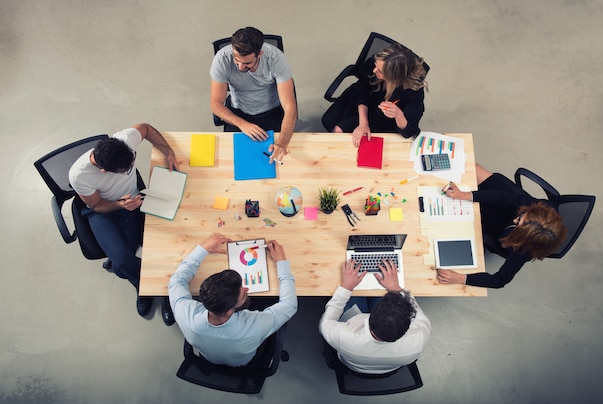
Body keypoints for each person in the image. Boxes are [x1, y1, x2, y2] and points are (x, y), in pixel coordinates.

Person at [69, 123, 179, 324]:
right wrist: (121, 205)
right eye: (126, 170)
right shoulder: (79, 176)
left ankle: (147, 283)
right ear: (104, 171)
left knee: (164, 241)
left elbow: (146, 128)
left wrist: (168, 151)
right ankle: (155, 288)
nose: (131, 169)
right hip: (106, 211)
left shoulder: (124, 140)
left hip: (133, 201)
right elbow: (97, 205)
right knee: (122, 261)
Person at [168, 233, 297, 368]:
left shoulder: (186, 315)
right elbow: (289, 305)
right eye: (242, 295)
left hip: (209, 358)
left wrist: (203, 248)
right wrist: (282, 262)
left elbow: (177, 281)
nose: (247, 289)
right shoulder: (255, 326)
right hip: (242, 363)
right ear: (229, 311)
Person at [437, 164, 568, 288]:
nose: (515, 219)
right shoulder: (543, 208)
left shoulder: (522, 252)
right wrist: (465, 195)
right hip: (513, 201)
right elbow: (503, 197)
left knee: (451, 222)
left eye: (518, 223)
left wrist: (461, 278)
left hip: (498, 226)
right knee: (475, 168)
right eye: (522, 217)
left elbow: (499, 280)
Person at [319, 259, 431, 374]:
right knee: (383, 292)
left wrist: (346, 287)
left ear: (369, 317)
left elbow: (325, 322)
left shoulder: (343, 336)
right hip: (388, 367)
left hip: (353, 364)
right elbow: (415, 310)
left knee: (356, 293)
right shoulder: (420, 337)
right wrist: (396, 288)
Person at [210, 26, 298, 163]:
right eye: (236, 60)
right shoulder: (222, 59)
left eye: (247, 63)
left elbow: (290, 107)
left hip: (271, 112)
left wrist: (282, 142)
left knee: (277, 160)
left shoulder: (276, 59)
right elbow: (215, 104)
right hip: (239, 112)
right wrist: (242, 124)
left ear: (260, 54)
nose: (240, 67)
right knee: (233, 160)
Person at [323, 43, 428, 147]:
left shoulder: (414, 90)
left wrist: (398, 114)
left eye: (380, 72)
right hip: (361, 100)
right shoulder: (375, 63)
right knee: (334, 127)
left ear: (395, 77)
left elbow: (409, 130)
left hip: (383, 114)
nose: (374, 70)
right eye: (376, 66)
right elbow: (362, 91)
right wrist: (363, 124)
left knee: (347, 135)